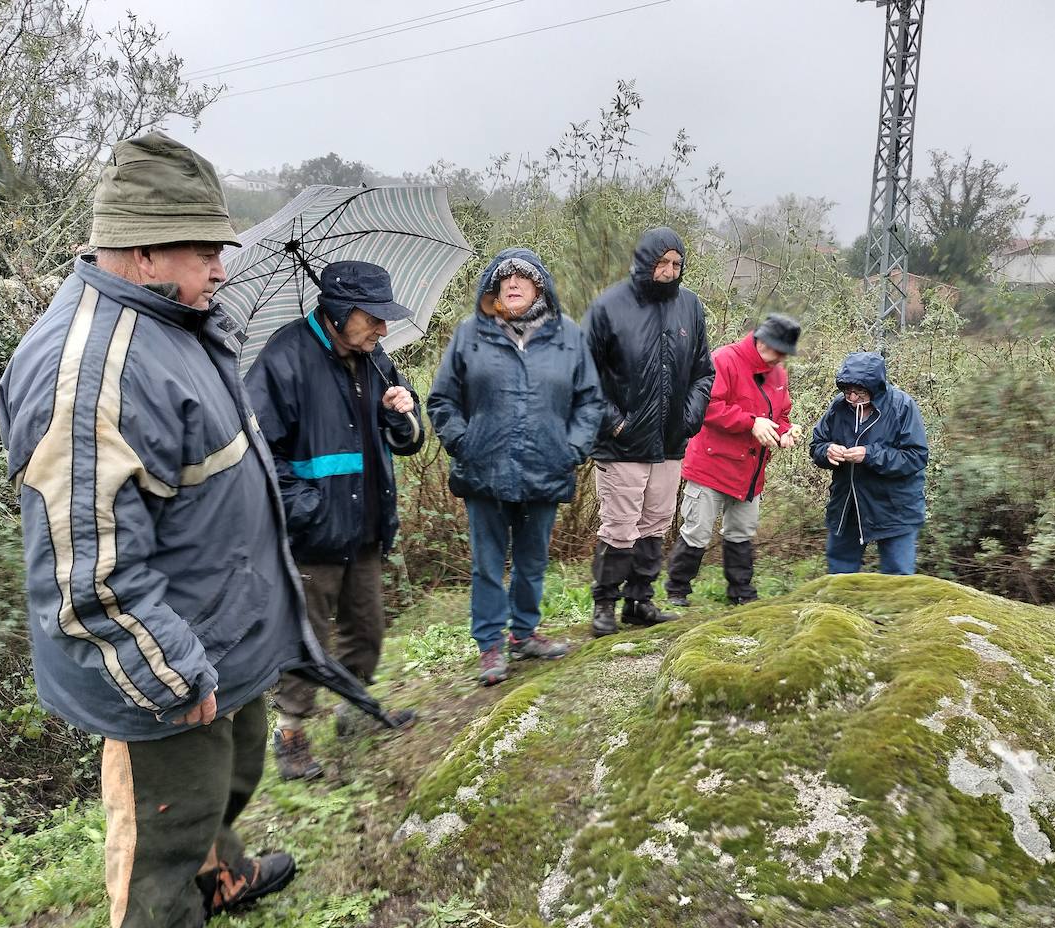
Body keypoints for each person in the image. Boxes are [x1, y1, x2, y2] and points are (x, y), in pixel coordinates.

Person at [0, 132, 407, 928]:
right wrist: (173, 670)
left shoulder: (174, 324)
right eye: (206, 249)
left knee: (229, 768)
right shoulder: (90, 372)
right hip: (165, 653)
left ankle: (219, 868)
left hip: (224, 622)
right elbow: (91, 574)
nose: (223, 267)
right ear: (144, 250)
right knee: (164, 800)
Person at [245, 261, 425, 781]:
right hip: (311, 536)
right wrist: (309, 509)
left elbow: (407, 441)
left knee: (365, 631)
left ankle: (355, 713)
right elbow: (258, 453)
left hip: (366, 525)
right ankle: (292, 735)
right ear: (342, 311)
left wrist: (402, 411)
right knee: (307, 640)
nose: (383, 329)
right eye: (374, 318)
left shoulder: (375, 359)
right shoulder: (285, 358)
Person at [427, 248, 603, 685]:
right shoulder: (471, 333)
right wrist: (463, 443)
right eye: (504, 279)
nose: (513, 284)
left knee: (532, 560)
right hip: (484, 469)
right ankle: (490, 645)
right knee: (487, 563)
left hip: (547, 466)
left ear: (540, 286)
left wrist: (572, 449)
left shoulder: (569, 336)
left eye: (523, 277)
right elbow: (442, 400)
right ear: (494, 288)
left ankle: (524, 633)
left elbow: (590, 401)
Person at [583, 226, 714, 636]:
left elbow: (703, 372)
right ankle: (605, 604)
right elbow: (583, 375)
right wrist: (615, 421)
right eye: (662, 263)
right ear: (645, 262)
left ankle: (639, 601)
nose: (669, 271)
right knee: (619, 526)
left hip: (670, 441)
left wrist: (689, 417)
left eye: (677, 264)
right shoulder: (608, 306)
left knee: (656, 522)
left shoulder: (690, 307)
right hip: (622, 441)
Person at [665, 314, 802, 605]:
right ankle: (677, 589)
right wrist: (751, 423)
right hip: (710, 466)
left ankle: (740, 592)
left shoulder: (778, 374)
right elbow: (707, 407)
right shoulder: (724, 359)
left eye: (784, 354)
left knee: (742, 532)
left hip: (750, 471)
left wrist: (787, 432)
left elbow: (781, 415)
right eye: (778, 351)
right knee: (697, 531)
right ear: (762, 341)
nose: (780, 359)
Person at [809, 351, 928, 574]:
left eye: (859, 392)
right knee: (839, 574)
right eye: (847, 391)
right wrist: (828, 451)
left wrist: (870, 455)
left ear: (876, 388)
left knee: (898, 576)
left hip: (895, 508)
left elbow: (916, 456)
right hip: (847, 505)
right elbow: (817, 444)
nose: (852, 398)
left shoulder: (902, 407)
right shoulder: (839, 407)